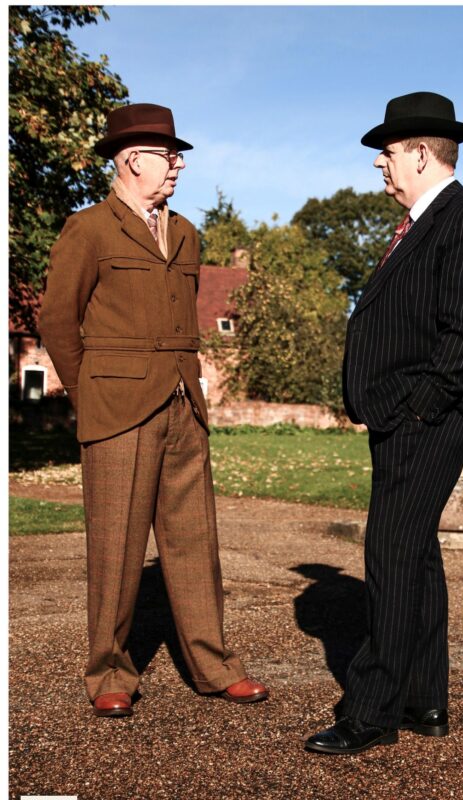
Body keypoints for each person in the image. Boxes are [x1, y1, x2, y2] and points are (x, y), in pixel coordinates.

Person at [39, 103, 268, 717]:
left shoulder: (188, 231)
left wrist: (192, 387)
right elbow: (57, 320)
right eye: (169, 155)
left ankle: (216, 666)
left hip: (182, 403)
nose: (178, 165)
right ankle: (110, 673)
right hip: (117, 407)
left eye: (177, 155)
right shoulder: (87, 228)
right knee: (114, 546)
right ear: (132, 158)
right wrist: (91, 397)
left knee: (196, 542)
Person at [306, 92, 463, 754]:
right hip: (408, 415)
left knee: (388, 554)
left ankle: (370, 714)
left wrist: (413, 410)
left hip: (429, 417)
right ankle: (424, 702)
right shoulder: (422, 223)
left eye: (385, 156)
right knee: (414, 558)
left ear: (419, 152)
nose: (381, 170)